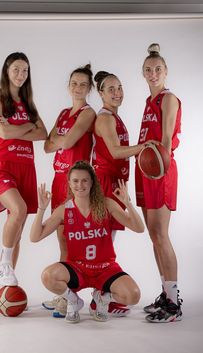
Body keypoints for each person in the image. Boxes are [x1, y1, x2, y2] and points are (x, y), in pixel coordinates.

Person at [30, 160, 144, 323]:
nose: (80, 185)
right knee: (48, 276)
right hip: (77, 268)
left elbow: (139, 228)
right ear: (69, 183)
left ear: (92, 182)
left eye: (84, 180)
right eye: (75, 181)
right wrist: (41, 209)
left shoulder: (106, 204)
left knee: (133, 296)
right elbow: (35, 237)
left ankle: (101, 299)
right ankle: (74, 301)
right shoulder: (64, 210)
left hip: (105, 268)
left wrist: (128, 204)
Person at [0, 52, 47, 287]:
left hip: (25, 167)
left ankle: (7, 284)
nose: (21, 75)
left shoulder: (28, 103)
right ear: (7, 71)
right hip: (2, 166)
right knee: (18, 209)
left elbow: (43, 133)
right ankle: (4, 265)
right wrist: (28, 126)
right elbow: (4, 133)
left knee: (18, 226)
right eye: (16, 70)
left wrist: (18, 127)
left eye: (25, 71)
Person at [91, 71, 148, 316]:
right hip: (105, 183)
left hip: (115, 182)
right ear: (101, 94)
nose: (117, 93)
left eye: (120, 87)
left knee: (107, 240)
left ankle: (101, 295)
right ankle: (98, 297)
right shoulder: (105, 118)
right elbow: (115, 152)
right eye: (111, 89)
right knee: (103, 242)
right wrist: (143, 148)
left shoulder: (115, 116)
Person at [42, 64, 96, 317]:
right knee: (61, 237)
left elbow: (68, 141)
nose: (77, 88)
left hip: (76, 183)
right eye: (74, 83)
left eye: (83, 84)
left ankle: (71, 296)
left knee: (71, 241)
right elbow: (47, 146)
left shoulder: (87, 113)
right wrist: (58, 141)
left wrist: (59, 141)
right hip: (57, 179)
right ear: (68, 85)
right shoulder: (64, 112)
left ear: (89, 88)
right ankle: (64, 293)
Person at [135, 43, 182, 323]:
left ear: (166, 71)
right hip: (146, 169)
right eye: (148, 70)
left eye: (158, 69)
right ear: (143, 74)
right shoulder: (147, 101)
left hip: (160, 171)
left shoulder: (168, 98)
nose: (153, 74)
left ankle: (174, 304)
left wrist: (157, 168)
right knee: (153, 235)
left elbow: (165, 142)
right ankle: (166, 294)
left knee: (161, 235)